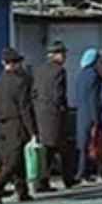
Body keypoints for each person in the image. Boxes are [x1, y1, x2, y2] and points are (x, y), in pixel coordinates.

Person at [0, 48, 37, 204]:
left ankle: (22, 191)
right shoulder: (20, 82)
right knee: (14, 160)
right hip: (15, 124)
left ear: (3, 63)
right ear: (16, 64)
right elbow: (25, 108)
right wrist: (32, 131)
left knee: (11, 158)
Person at [31, 40, 71, 191]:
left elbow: (34, 92)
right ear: (56, 55)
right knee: (61, 148)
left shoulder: (39, 70)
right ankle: (67, 179)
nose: (64, 57)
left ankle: (41, 180)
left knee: (47, 149)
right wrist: (62, 108)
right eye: (63, 53)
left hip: (40, 114)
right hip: (54, 115)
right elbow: (59, 94)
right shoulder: (59, 71)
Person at [73, 48, 102, 182]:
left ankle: (82, 171)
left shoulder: (80, 75)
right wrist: (96, 118)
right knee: (94, 142)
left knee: (83, 144)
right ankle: (87, 171)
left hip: (81, 112)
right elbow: (94, 98)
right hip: (90, 113)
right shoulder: (94, 76)